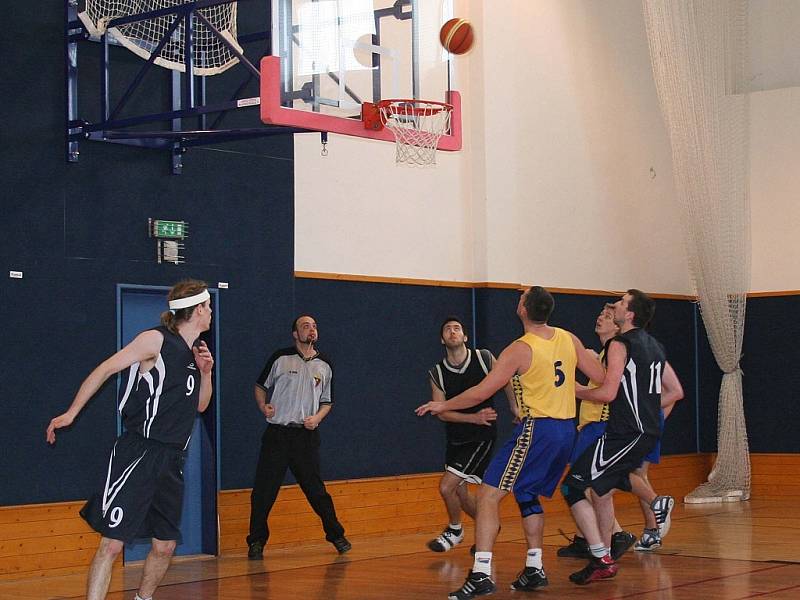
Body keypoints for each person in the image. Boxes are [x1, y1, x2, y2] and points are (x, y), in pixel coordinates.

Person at [417, 286, 605, 599]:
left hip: (538, 429)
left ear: (524, 309)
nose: (518, 301)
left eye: (521, 299)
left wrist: (443, 405)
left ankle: (481, 574)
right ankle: (534, 567)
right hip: (566, 431)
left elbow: (480, 392)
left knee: (488, 496)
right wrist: (575, 392)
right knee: (527, 492)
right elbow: (599, 375)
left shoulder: (520, 349)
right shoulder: (569, 338)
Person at [46, 279, 215, 600]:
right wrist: (71, 413)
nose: (210, 311)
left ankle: (142, 598)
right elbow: (105, 369)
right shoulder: (155, 340)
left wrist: (206, 373)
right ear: (195, 311)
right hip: (140, 453)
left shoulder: (193, 358)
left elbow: (201, 406)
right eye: (207, 306)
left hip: (173, 459)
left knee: (164, 546)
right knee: (112, 543)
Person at [561, 289, 683, 585]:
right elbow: (673, 391)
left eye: (620, 302)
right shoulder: (654, 345)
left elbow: (607, 393)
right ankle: (602, 559)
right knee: (603, 489)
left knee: (572, 487)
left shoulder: (619, 344)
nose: (614, 305)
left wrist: (571, 390)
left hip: (624, 432)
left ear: (628, 314)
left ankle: (650, 509)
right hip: (642, 430)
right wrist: (653, 419)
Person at [247, 315, 350, 560]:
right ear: (295, 333)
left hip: (306, 437)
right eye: (305, 326)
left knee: (316, 491)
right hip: (277, 435)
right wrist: (263, 406)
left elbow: (327, 401)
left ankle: (336, 535)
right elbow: (260, 386)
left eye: (314, 325)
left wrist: (318, 419)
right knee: (263, 491)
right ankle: (256, 541)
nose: (311, 329)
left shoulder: (325, 364)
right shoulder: (280, 358)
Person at [558, 305, 637, 561]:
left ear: (617, 325)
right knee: (590, 488)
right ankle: (588, 539)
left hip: (601, 427)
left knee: (585, 488)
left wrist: (578, 388)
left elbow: (608, 389)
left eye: (606, 316)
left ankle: (613, 535)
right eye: (599, 313)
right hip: (590, 427)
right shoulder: (605, 352)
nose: (600, 317)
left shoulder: (614, 351)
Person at [425, 317, 510, 553]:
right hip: (456, 437)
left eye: (457, 328)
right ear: (442, 339)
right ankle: (488, 525)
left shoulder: (483, 358)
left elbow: (506, 381)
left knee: (446, 487)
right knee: (460, 493)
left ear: (465, 337)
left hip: (481, 436)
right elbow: (442, 412)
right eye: (447, 329)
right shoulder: (437, 372)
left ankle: (455, 530)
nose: (453, 332)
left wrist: (515, 408)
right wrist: (471, 417)